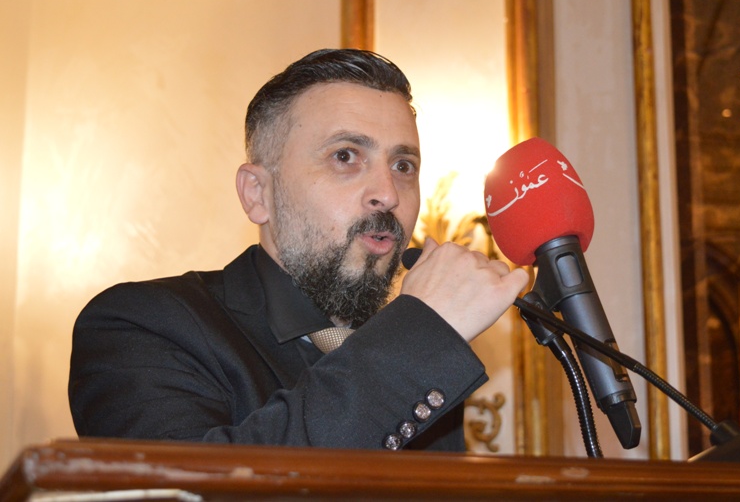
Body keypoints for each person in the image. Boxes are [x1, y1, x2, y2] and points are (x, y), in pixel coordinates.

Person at [68, 49, 529, 451]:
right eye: (345, 156)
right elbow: (199, 489)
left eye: (403, 165)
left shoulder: (418, 360)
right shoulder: (140, 324)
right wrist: (418, 335)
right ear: (258, 194)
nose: (388, 194)